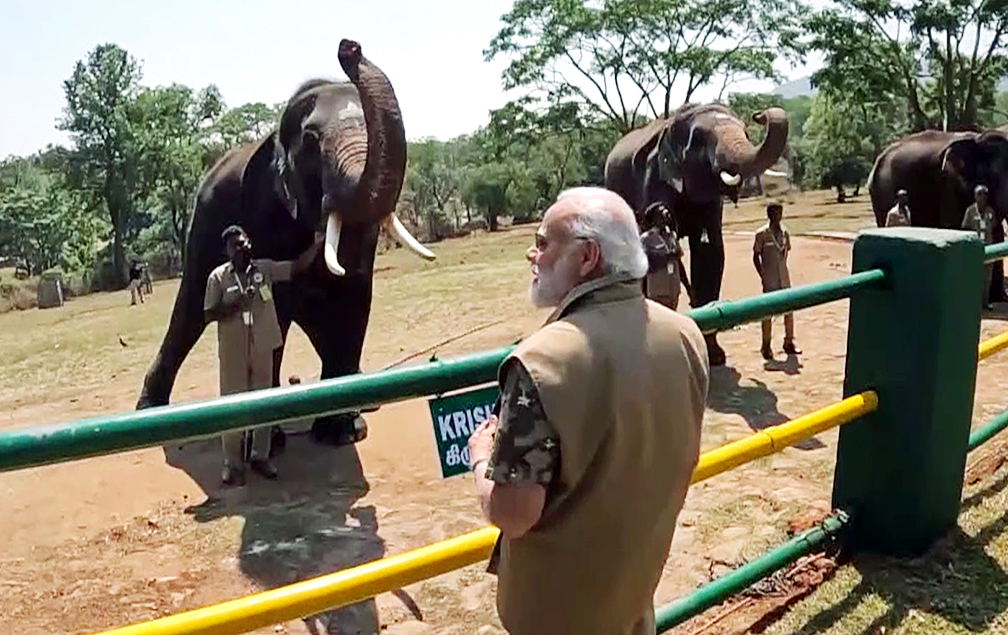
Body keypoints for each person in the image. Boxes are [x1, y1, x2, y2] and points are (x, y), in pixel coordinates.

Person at [466, 186, 710, 635]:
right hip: (633, 602)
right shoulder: (686, 335)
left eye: (543, 243)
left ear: (587, 257)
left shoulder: (541, 360)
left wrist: (481, 455)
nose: (531, 254)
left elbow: (513, 513)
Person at [203, 225, 323, 485]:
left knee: (264, 402)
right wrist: (236, 304)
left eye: (244, 242)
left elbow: (295, 268)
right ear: (227, 251)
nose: (242, 247)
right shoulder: (218, 277)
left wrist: (319, 244)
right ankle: (231, 463)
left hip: (262, 345)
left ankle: (260, 456)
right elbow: (209, 313)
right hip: (233, 350)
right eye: (236, 245)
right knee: (232, 404)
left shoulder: (264, 269)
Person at [753, 200, 801, 360]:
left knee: (789, 309)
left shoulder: (785, 233)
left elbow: (786, 252)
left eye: (780, 212)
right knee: (767, 312)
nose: (779, 216)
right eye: (775, 213)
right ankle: (766, 345)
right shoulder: (762, 234)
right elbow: (755, 256)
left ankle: (789, 342)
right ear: (769, 215)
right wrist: (762, 275)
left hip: (784, 278)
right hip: (770, 279)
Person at [639, 202, 684, 311]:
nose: (666, 215)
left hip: (673, 288)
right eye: (661, 213)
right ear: (654, 218)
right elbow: (643, 269)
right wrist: (642, 294)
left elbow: (678, 263)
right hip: (657, 291)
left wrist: (688, 287)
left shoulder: (671, 237)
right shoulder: (647, 240)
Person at [962, 184, 997, 309]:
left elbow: (993, 225)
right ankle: (973, 302)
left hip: (988, 247)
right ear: (976, 196)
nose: (983, 198)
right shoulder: (970, 211)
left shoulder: (990, 211)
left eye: (985, 195)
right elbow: (965, 227)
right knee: (974, 277)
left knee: (987, 279)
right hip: (975, 249)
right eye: (981, 194)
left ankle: (985, 302)